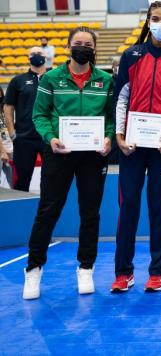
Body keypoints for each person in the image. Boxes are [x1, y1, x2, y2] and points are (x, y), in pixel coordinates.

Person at [22, 27, 114, 300]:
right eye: (78, 43)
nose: (83, 47)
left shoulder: (105, 80)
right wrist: (50, 138)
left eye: (88, 44)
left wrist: (108, 138)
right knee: (48, 210)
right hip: (59, 152)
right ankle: (34, 269)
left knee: (90, 212)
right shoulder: (51, 78)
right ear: (68, 46)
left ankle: (86, 267)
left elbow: (110, 118)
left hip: (93, 155)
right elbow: (40, 115)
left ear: (94, 49)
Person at [111, 1, 161, 293]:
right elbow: (122, 98)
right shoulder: (131, 56)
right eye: (155, 18)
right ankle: (123, 272)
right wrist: (120, 136)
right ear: (147, 22)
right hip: (131, 146)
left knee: (160, 208)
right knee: (128, 206)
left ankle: (157, 271)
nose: (160, 23)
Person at [4, 47, 47, 191]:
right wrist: (12, 133)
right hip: (24, 138)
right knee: (22, 180)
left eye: (40, 53)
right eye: (33, 54)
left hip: (49, 137)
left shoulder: (53, 79)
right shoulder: (18, 81)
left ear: (46, 56)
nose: (36, 56)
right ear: (28, 57)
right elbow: (8, 107)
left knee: (50, 180)